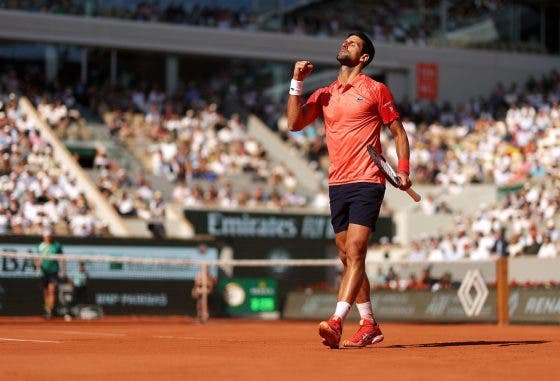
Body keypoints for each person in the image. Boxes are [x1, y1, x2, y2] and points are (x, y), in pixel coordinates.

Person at [287, 31, 412, 348]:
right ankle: (369, 323)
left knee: (356, 251)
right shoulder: (325, 93)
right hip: (337, 183)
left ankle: (336, 321)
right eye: (344, 41)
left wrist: (403, 170)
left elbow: (398, 133)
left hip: (368, 180)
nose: (345, 44)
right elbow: (294, 123)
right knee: (347, 257)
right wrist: (296, 82)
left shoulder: (376, 90)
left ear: (364, 57)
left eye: (353, 43)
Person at [35, 229, 65, 319]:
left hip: (54, 272)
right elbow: (37, 260)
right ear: (44, 237)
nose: (48, 238)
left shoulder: (57, 246)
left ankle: (50, 311)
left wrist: (64, 271)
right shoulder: (40, 246)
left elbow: (62, 258)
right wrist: (37, 267)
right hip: (43, 273)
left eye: (49, 236)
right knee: (45, 292)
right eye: (46, 236)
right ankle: (47, 310)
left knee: (52, 290)